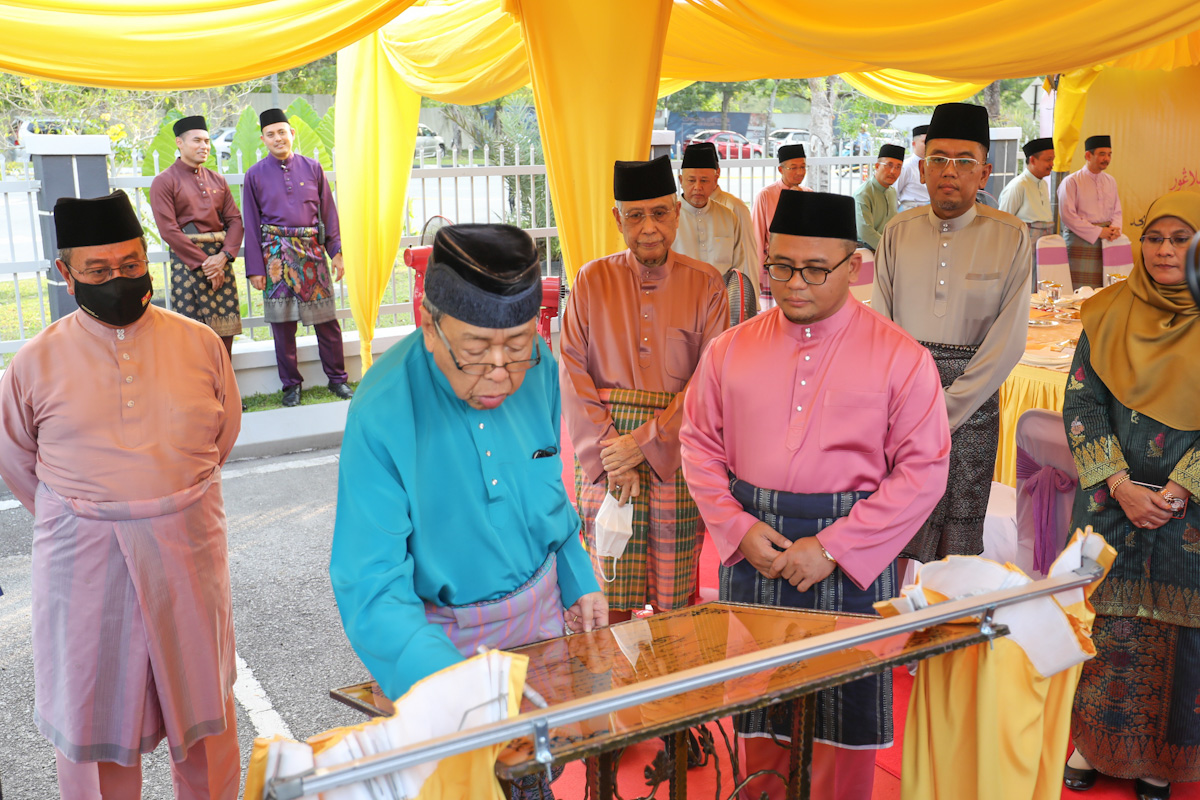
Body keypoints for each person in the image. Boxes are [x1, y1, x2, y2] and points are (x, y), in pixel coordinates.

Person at [680, 189, 950, 800]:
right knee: (761, 716)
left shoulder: (900, 358)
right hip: (756, 547)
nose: (792, 284)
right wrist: (736, 529)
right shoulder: (729, 349)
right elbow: (697, 444)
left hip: (850, 556)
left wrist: (833, 547)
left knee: (841, 728)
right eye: (779, 266)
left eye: (813, 270)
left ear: (853, 267)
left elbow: (924, 469)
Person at [330, 224, 605, 798]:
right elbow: (372, 583)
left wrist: (578, 577)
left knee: (533, 776)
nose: (502, 372)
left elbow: (547, 487)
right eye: (477, 350)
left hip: (541, 621)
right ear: (430, 324)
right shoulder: (382, 409)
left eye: (519, 345)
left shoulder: (541, 368)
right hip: (441, 642)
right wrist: (446, 685)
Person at [0, 191, 242, 799]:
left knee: (205, 712)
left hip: (187, 546)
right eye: (99, 271)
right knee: (95, 713)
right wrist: (94, 511)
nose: (119, 280)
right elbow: (17, 461)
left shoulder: (200, 343)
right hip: (83, 559)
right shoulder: (34, 361)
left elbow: (222, 435)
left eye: (131, 265)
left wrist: (164, 495)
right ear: (65, 274)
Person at [1061, 191, 1200, 800]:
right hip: (1108, 506)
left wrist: (1177, 489)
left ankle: (1160, 760)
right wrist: (1120, 485)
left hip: (1186, 514)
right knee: (1100, 622)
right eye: (1154, 237)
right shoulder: (1107, 310)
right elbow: (1082, 400)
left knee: (1181, 636)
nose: (1165, 250)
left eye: (1180, 238)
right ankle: (1091, 744)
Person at [560, 154, 728, 624]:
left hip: (675, 451)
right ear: (618, 219)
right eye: (635, 215)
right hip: (605, 451)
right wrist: (612, 452)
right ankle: (608, 690)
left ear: (676, 211)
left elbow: (710, 381)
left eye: (659, 212)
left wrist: (643, 445)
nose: (648, 227)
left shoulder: (707, 285)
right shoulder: (592, 280)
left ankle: (668, 692)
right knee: (608, 586)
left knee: (675, 595)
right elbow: (572, 371)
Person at [873, 101, 1031, 563]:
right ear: (922, 170)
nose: (950, 171)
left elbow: (1008, 341)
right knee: (894, 529)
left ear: (984, 173)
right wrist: (910, 405)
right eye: (939, 158)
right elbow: (879, 327)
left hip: (974, 404)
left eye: (965, 161)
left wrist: (946, 408)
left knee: (956, 543)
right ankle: (894, 625)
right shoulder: (897, 232)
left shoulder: (1012, 235)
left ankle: (948, 624)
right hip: (901, 401)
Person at [243, 107, 353, 407]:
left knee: (327, 321)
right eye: (270, 134)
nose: (278, 138)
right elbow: (251, 223)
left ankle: (337, 379)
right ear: (263, 139)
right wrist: (256, 268)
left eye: (282, 132)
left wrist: (337, 253)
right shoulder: (254, 175)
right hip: (275, 255)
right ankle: (291, 385)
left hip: (312, 252)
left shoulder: (313, 168)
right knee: (282, 325)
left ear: (292, 133)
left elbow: (329, 215)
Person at [149, 115, 244, 356]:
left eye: (207, 141)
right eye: (197, 141)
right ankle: (199, 391)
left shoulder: (217, 179)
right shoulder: (164, 181)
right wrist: (204, 263)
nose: (204, 146)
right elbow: (168, 230)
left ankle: (225, 390)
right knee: (192, 332)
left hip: (221, 261)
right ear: (179, 143)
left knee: (225, 333)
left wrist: (222, 258)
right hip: (188, 263)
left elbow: (235, 220)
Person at [675, 142, 759, 323]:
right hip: (679, 310)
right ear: (681, 180)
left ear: (715, 180)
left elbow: (739, 269)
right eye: (691, 180)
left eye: (704, 180)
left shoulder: (729, 217)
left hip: (721, 311)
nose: (697, 186)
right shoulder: (667, 218)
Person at [1057, 134, 1122, 289]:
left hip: (1107, 240)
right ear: (1088, 155)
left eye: (1109, 154)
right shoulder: (1071, 181)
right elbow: (1068, 216)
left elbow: (1117, 210)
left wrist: (1115, 228)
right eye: (1102, 154)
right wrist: (1099, 232)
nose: (1106, 158)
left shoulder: (1110, 181)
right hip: (1080, 241)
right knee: (1079, 288)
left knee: (1105, 286)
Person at [752, 144, 810, 302]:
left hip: (804, 270)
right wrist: (756, 276)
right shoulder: (765, 195)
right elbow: (756, 238)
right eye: (793, 167)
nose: (799, 172)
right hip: (774, 269)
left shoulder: (809, 194)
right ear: (780, 170)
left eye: (803, 167)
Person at [999, 137, 1056, 275]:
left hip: (1045, 247)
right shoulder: (1018, 185)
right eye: (1048, 159)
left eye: (1053, 159)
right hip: (1025, 248)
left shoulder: (1043, 184)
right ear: (1032, 160)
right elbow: (1002, 223)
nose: (1052, 164)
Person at [853, 143, 904, 251]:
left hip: (887, 246)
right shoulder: (863, 194)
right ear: (877, 166)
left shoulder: (891, 192)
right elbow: (865, 232)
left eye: (898, 167)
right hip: (866, 249)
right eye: (889, 165)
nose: (893, 171)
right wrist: (891, 249)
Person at [894, 124, 930, 212]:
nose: (928, 145)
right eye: (924, 142)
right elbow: (893, 193)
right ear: (914, 144)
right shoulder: (906, 167)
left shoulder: (936, 165)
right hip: (910, 210)